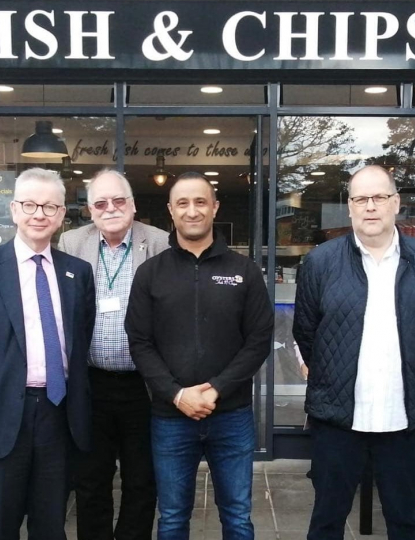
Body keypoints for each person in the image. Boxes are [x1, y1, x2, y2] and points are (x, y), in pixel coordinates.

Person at [292, 165, 415, 540]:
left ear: (396, 203)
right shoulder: (320, 262)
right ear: (349, 207)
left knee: (406, 519)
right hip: (338, 418)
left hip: (401, 417)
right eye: (360, 199)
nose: (370, 207)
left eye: (379, 197)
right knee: (327, 520)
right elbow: (306, 331)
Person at [0, 168, 95, 540]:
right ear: (14, 210)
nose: (39, 214)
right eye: (30, 204)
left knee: (51, 526)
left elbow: (81, 337)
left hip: (57, 416)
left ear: (62, 215)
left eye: (49, 206)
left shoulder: (78, 272)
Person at [125, 172, 273, 540]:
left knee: (238, 517)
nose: (192, 211)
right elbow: (140, 343)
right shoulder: (150, 273)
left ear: (214, 207)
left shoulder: (244, 271)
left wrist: (218, 388)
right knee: (173, 517)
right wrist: (177, 393)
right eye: (183, 203)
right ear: (171, 212)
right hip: (170, 417)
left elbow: (258, 339)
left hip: (232, 416)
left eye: (200, 202)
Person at [58, 169, 167, 540]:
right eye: (100, 203)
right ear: (89, 210)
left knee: (141, 478)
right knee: (90, 478)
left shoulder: (160, 243)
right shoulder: (72, 243)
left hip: (144, 385)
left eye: (119, 200)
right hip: (90, 384)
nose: (110, 208)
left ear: (133, 205)